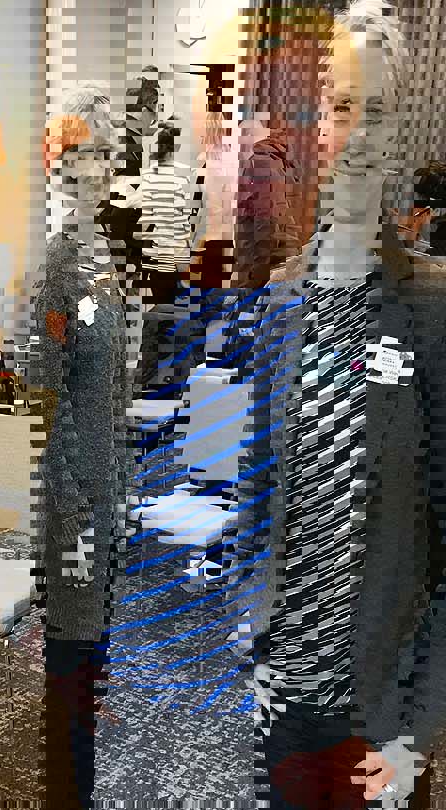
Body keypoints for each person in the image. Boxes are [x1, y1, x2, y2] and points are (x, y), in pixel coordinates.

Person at [241, 3, 446, 807]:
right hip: (283, 695)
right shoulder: (280, 299)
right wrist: (253, 641)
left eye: (379, 112)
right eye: (342, 108)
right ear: (317, 127)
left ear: (400, 134)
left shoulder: (430, 310)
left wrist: (414, 730)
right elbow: (260, 493)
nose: (358, 134)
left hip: (376, 716)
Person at [30, 83, 133, 810]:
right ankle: (69, 793)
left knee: (90, 659)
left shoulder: (105, 259)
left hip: (107, 486)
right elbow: (43, 391)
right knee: (70, 662)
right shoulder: (61, 268)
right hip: (74, 503)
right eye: (75, 155)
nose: (88, 168)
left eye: (99, 153)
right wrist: (73, 512)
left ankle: (81, 783)